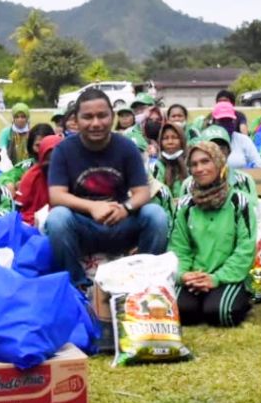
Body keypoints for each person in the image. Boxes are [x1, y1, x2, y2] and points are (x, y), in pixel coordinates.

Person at [45, 89, 169, 287]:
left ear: (112, 117)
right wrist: (92, 207)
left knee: (156, 215)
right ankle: (78, 285)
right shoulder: (64, 150)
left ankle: (143, 282)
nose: (96, 123)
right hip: (83, 226)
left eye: (102, 115)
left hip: (120, 222)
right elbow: (57, 196)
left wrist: (125, 208)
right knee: (57, 218)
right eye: (88, 117)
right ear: (76, 120)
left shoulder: (126, 147)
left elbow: (142, 192)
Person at [168, 140, 255, 327]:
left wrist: (216, 278)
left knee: (221, 313)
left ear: (219, 164)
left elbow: (245, 249)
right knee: (180, 312)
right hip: (193, 276)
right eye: (194, 164)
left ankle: (238, 297)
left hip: (227, 276)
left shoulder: (239, 202)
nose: (199, 168)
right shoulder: (185, 205)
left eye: (205, 161)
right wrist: (184, 275)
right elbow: (178, 247)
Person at [16, 133, 62, 225]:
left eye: (56, 159)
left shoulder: (71, 177)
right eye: (47, 159)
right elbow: (19, 210)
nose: (51, 164)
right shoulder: (31, 177)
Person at [151, 121, 189, 203]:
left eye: (175, 138)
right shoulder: (156, 166)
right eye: (165, 138)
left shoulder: (190, 163)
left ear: (182, 140)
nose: (170, 142)